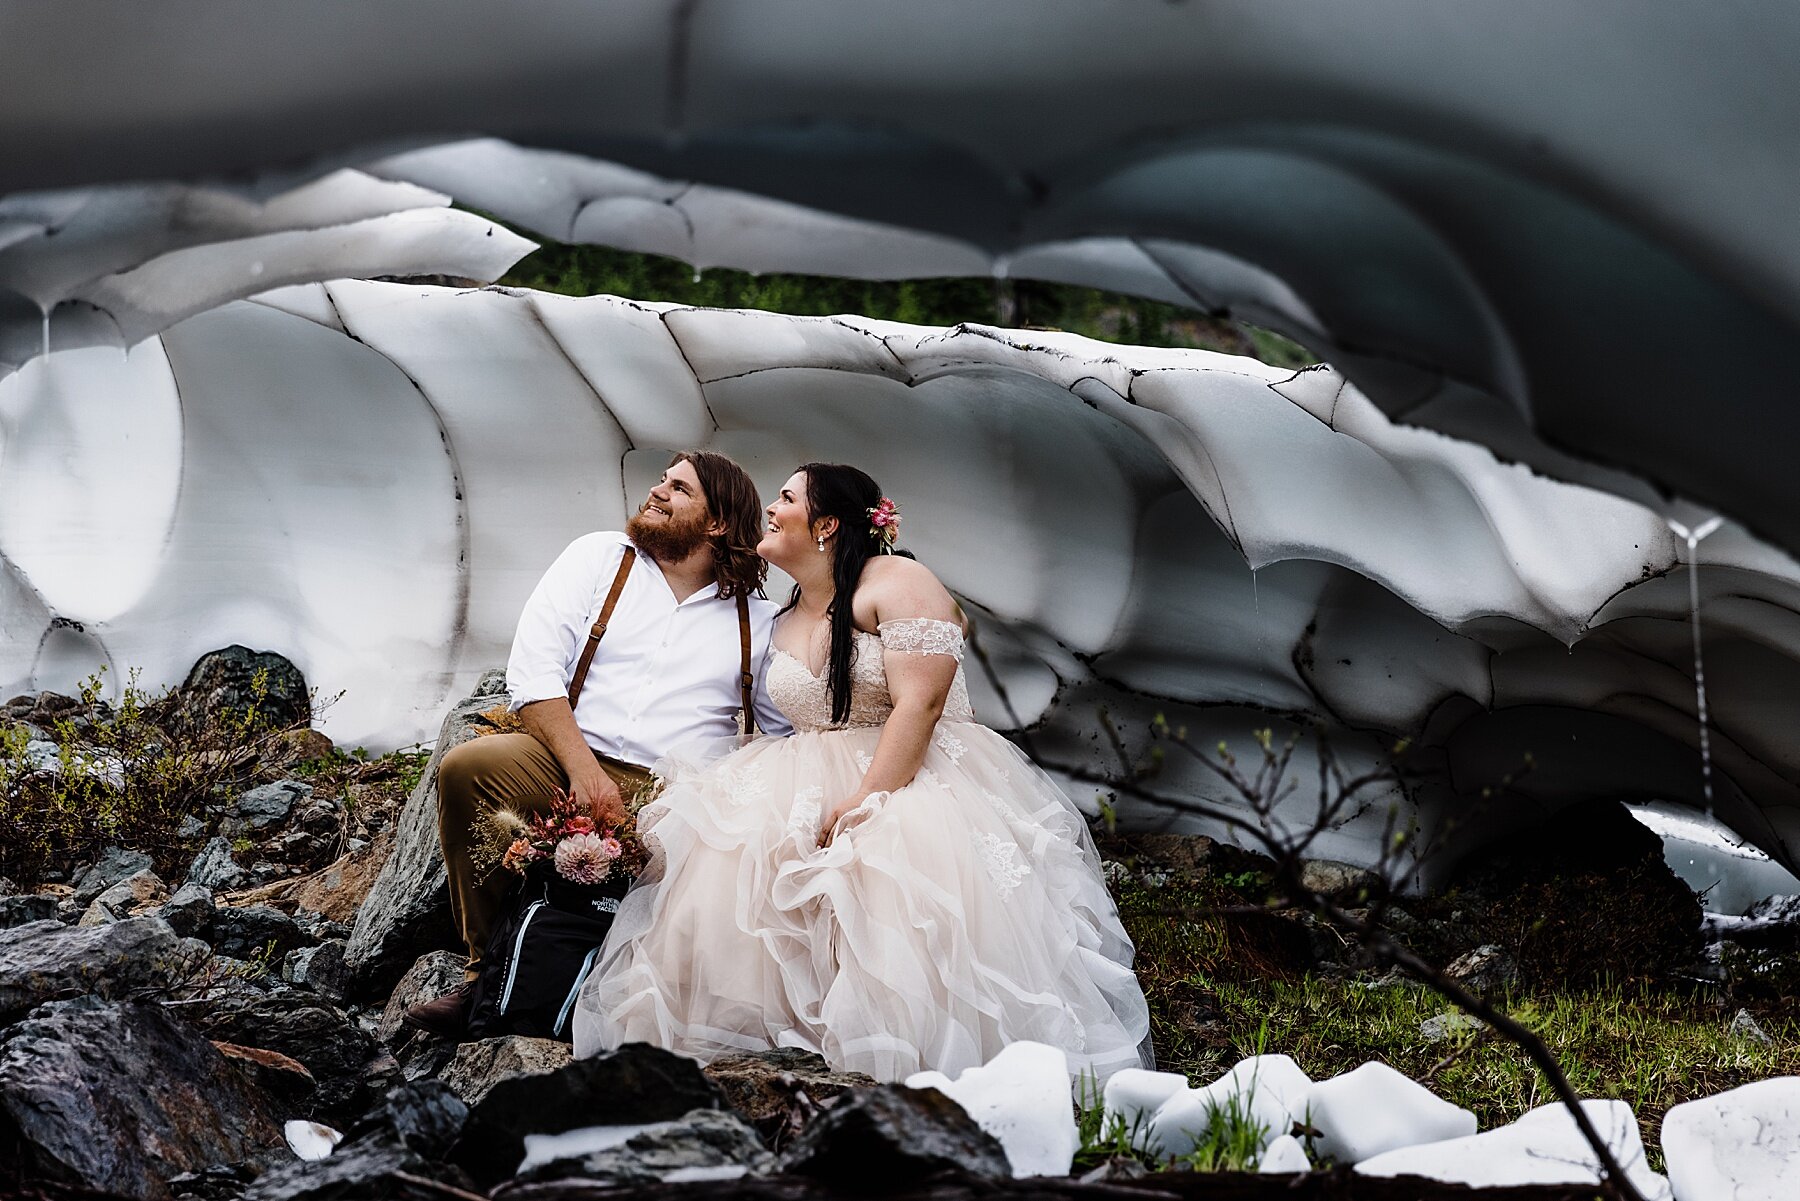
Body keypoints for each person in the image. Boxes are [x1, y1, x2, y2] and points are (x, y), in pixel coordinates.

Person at [572, 462, 1150, 1082]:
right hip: (801, 771)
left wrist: (867, 798)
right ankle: (765, 1059)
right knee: (733, 885)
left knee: (890, 893)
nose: (772, 508)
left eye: (787, 498)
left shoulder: (894, 579)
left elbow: (921, 704)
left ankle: (908, 1068)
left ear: (824, 525)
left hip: (908, 773)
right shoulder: (788, 613)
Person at [403, 451, 792, 1038]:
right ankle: (487, 974)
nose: (657, 491)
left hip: (677, 794)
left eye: (679, 488)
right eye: (660, 479)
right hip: (565, 761)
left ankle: (626, 995)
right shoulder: (600, 558)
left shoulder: (757, 623)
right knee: (470, 768)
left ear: (716, 523)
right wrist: (585, 775)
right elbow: (532, 675)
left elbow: (779, 735)